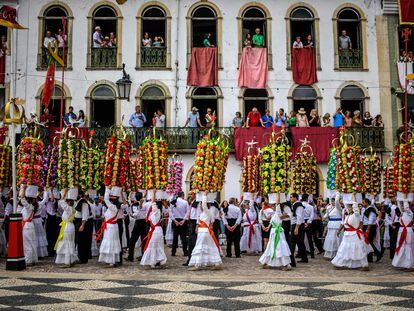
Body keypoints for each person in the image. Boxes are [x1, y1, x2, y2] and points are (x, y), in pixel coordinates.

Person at [331, 197, 372, 270]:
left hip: (354, 235)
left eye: (350, 207)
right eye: (348, 207)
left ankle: (364, 265)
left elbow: (355, 206)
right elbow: (344, 222)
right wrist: (344, 197)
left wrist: (353, 197)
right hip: (347, 235)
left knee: (358, 250)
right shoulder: (347, 216)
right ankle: (341, 264)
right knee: (345, 250)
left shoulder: (357, 215)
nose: (349, 208)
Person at [188, 195, 222, 270]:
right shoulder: (205, 213)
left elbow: (204, 204)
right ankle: (216, 263)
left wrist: (204, 195)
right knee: (210, 247)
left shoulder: (207, 212)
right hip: (203, 231)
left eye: (201, 205)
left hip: (204, 232)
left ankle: (197, 265)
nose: (200, 206)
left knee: (200, 247)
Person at [259, 198, 292, 270]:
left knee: (280, 246)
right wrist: (268, 227)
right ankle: (269, 262)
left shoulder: (278, 212)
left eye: (273, 206)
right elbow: (271, 222)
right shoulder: (274, 214)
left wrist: (278, 193)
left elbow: (277, 204)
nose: (272, 207)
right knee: (272, 246)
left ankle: (285, 264)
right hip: (273, 232)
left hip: (278, 232)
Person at [97, 187, 123, 266]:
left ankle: (112, 261)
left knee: (111, 243)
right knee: (111, 243)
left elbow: (106, 199)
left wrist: (107, 188)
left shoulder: (113, 207)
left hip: (111, 227)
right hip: (110, 227)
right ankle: (111, 260)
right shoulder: (113, 207)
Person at [140, 200, 167, 268]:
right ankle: (158, 261)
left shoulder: (156, 211)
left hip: (155, 231)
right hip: (155, 230)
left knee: (153, 246)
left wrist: (153, 192)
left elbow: (152, 203)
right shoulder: (156, 212)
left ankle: (154, 262)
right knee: (156, 246)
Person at [55, 189, 78, 267]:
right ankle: (71, 260)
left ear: (69, 202)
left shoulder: (69, 209)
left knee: (67, 244)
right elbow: (62, 202)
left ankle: (68, 262)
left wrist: (63, 194)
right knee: (70, 243)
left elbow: (61, 202)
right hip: (70, 226)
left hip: (68, 227)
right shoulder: (72, 208)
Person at [392, 201, 414, 270]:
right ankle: (405, 263)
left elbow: (407, 208)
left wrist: (405, 199)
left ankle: (410, 265)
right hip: (401, 231)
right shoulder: (403, 213)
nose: (402, 207)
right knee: (402, 246)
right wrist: (399, 199)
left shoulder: (410, 213)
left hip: (408, 232)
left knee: (408, 247)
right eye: (401, 206)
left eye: (403, 206)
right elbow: (399, 207)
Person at [126, 193, 148, 261]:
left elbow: (135, 215)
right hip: (145, 222)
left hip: (138, 222)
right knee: (143, 240)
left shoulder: (135, 204)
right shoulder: (146, 203)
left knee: (132, 240)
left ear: (135, 197)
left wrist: (131, 214)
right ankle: (143, 256)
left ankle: (130, 256)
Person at [74, 189, 94, 264]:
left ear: (79, 195)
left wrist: (82, 225)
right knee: (80, 241)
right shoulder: (78, 202)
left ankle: (82, 258)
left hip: (82, 222)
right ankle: (81, 257)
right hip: (78, 221)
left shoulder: (83, 202)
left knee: (82, 241)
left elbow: (85, 214)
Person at [20, 188, 38, 266]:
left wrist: (23, 189)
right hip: (30, 225)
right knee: (31, 243)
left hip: (27, 226)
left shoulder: (28, 206)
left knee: (27, 243)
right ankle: (32, 259)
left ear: (28, 200)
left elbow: (22, 199)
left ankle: (29, 260)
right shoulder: (31, 206)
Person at [361, 198, 382, 263]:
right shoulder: (365, 209)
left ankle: (378, 254)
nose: (362, 204)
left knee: (369, 242)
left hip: (370, 227)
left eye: (363, 202)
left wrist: (368, 229)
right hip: (365, 226)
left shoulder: (371, 209)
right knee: (367, 242)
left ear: (367, 202)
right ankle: (369, 258)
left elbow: (371, 220)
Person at [289, 193, 308, 263]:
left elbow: (299, 217)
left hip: (297, 225)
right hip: (298, 224)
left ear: (295, 198)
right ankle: (304, 258)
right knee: (300, 242)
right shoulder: (295, 205)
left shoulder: (298, 205)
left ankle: (292, 261)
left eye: (291, 197)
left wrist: (296, 228)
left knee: (292, 242)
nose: (290, 199)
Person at [323, 194, 342, 259]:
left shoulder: (339, 208)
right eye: (332, 201)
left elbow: (337, 203)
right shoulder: (329, 207)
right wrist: (324, 217)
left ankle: (337, 254)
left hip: (337, 224)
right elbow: (327, 214)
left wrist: (337, 194)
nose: (333, 202)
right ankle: (329, 254)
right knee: (330, 239)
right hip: (331, 224)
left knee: (336, 239)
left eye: (334, 201)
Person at [184, 191, 200, 266]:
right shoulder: (190, 203)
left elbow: (198, 215)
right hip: (190, 222)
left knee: (193, 242)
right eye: (189, 194)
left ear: (195, 195)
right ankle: (189, 259)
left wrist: (197, 225)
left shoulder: (197, 203)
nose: (189, 195)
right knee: (190, 242)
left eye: (191, 194)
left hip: (194, 223)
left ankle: (193, 259)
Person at [170, 192, 189, 257]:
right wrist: (184, 220)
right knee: (183, 237)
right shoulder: (185, 202)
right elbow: (187, 212)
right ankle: (185, 252)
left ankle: (173, 252)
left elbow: (170, 212)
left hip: (175, 220)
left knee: (175, 237)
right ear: (182, 195)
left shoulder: (173, 202)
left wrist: (174, 220)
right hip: (182, 220)